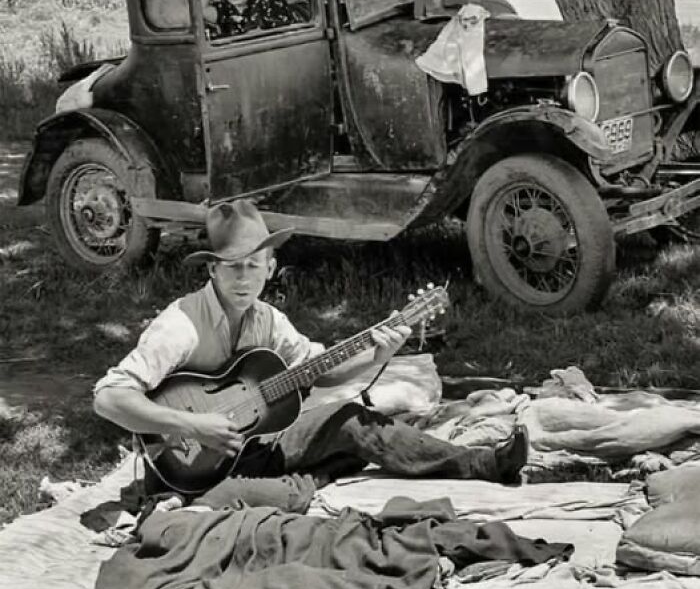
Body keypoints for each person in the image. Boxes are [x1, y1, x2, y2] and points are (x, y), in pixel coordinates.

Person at [93, 199, 529, 498]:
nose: (243, 278)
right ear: (211, 270)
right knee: (290, 492)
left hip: (256, 448)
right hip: (187, 469)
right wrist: (192, 426)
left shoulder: (268, 320)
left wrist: (377, 354)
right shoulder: (181, 325)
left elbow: (317, 371)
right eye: (231, 268)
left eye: (253, 266)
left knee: (355, 423)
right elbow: (108, 399)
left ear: (271, 267)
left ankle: (484, 465)